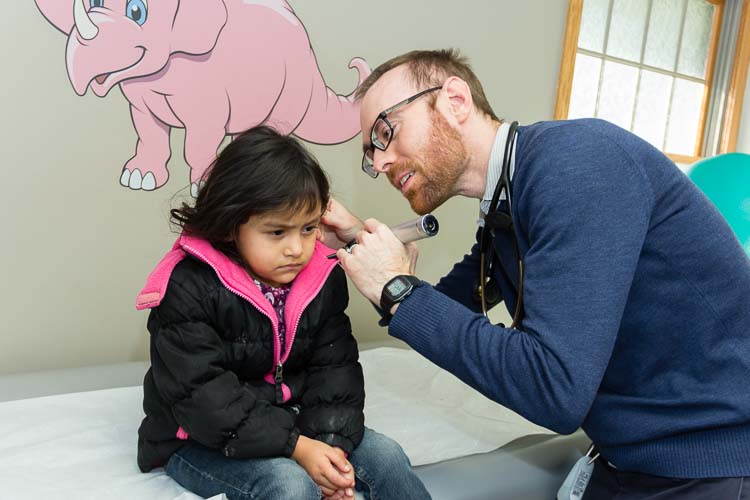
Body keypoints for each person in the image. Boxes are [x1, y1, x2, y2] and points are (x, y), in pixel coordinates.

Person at [320, 49, 750, 498]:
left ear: (455, 100)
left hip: (705, 463)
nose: (381, 161)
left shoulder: (578, 165)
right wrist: (360, 247)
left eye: (385, 132)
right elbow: (442, 309)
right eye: (371, 153)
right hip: (629, 457)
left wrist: (399, 290)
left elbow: (555, 389)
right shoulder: (509, 199)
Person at [134, 125, 430, 500]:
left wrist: (330, 447)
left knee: (387, 457)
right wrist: (299, 450)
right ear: (230, 226)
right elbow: (204, 398)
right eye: (277, 233)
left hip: (296, 424)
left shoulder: (321, 276)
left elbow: (335, 371)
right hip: (196, 438)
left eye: (308, 229)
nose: (297, 248)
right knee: (289, 484)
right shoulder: (187, 286)